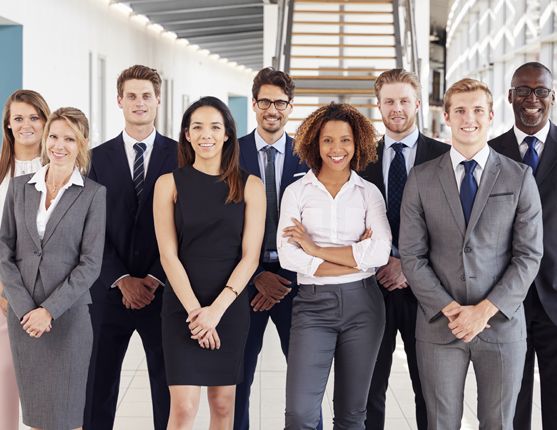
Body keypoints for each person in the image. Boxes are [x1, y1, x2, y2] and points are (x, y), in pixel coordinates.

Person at [399, 78, 543, 430]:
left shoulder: (519, 177)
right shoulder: (421, 178)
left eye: (478, 110)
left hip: (501, 324)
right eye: (460, 110)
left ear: (491, 115)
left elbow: (528, 255)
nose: (469, 119)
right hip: (439, 325)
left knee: (498, 423)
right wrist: (452, 310)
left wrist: (482, 312)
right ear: (446, 116)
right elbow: (412, 255)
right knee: (441, 422)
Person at [278, 102, 392, 429]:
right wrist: (355, 255)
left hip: (364, 307)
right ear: (315, 143)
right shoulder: (297, 192)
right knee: (299, 413)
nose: (336, 148)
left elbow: (380, 253)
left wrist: (314, 249)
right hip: (312, 306)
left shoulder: (369, 193)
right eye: (328, 140)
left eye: (345, 140)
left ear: (357, 145)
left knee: (352, 413)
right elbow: (289, 256)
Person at [153, 96, 265, 429]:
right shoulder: (168, 184)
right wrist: (195, 313)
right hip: (182, 307)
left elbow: (250, 257)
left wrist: (215, 312)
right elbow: (167, 254)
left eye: (215, 127)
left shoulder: (250, 186)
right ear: (186, 134)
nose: (206, 135)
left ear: (228, 134)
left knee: (222, 405)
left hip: (228, 306)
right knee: (184, 407)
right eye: (197, 127)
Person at [0, 107, 106, 430]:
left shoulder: (93, 195)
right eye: (55, 137)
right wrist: (24, 307)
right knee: (37, 418)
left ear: (82, 143)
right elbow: (4, 248)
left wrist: (48, 310)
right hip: (24, 319)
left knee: (68, 418)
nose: (59, 146)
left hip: (68, 321)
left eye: (69, 139)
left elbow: (90, 265)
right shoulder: (20, 188)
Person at [84, 65, 175, 430]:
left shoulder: (182, 156)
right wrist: (121, 278)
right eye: (132, 96)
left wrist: (153, 277)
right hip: (108, 294)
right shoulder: (93, 159)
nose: (139, 103)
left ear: (158, 100)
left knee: (167, 391)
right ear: (119, 100)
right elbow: (88, 230)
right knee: (97, 389)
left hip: (165, 293)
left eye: (146, 96)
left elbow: (187, 228)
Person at [359, 69, 449, 430]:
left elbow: (450, 230)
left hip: (426, 293)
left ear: (417, 102)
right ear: (378, 106)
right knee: (369, 391)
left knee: (429, 392)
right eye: (389, 101)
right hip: (372, 290)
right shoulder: (361, 159)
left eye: (404, 100)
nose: (397, 108)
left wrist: (408, 268)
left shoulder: (444, 156)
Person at [234, 67, 312, 430]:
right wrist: (256, 277)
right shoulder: (230, 154)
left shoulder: (309, 155)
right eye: (265, 101)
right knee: (237, 384)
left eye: (280, 102)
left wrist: (283, 277)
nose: (272, 109)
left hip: (295, 284)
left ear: (290, 106)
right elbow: (221, 226)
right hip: (244, 284)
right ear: (254, 104)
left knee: (305, 387)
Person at [488, 62, 557, 430]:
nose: (532, 99)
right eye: (523, 91)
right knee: (511, 404)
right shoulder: (490, 153)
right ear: (510, 96)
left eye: (541, 91)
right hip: (504, 298)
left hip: (556, 297)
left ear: (552, 97)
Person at [0, 89, 50, 430]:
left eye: (34, 117)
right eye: (19, 118)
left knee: (47, 398)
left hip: (48, 301)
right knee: (4, 393)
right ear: (8, 125)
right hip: (2, 299)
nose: (26, 125)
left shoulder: (63, 171)